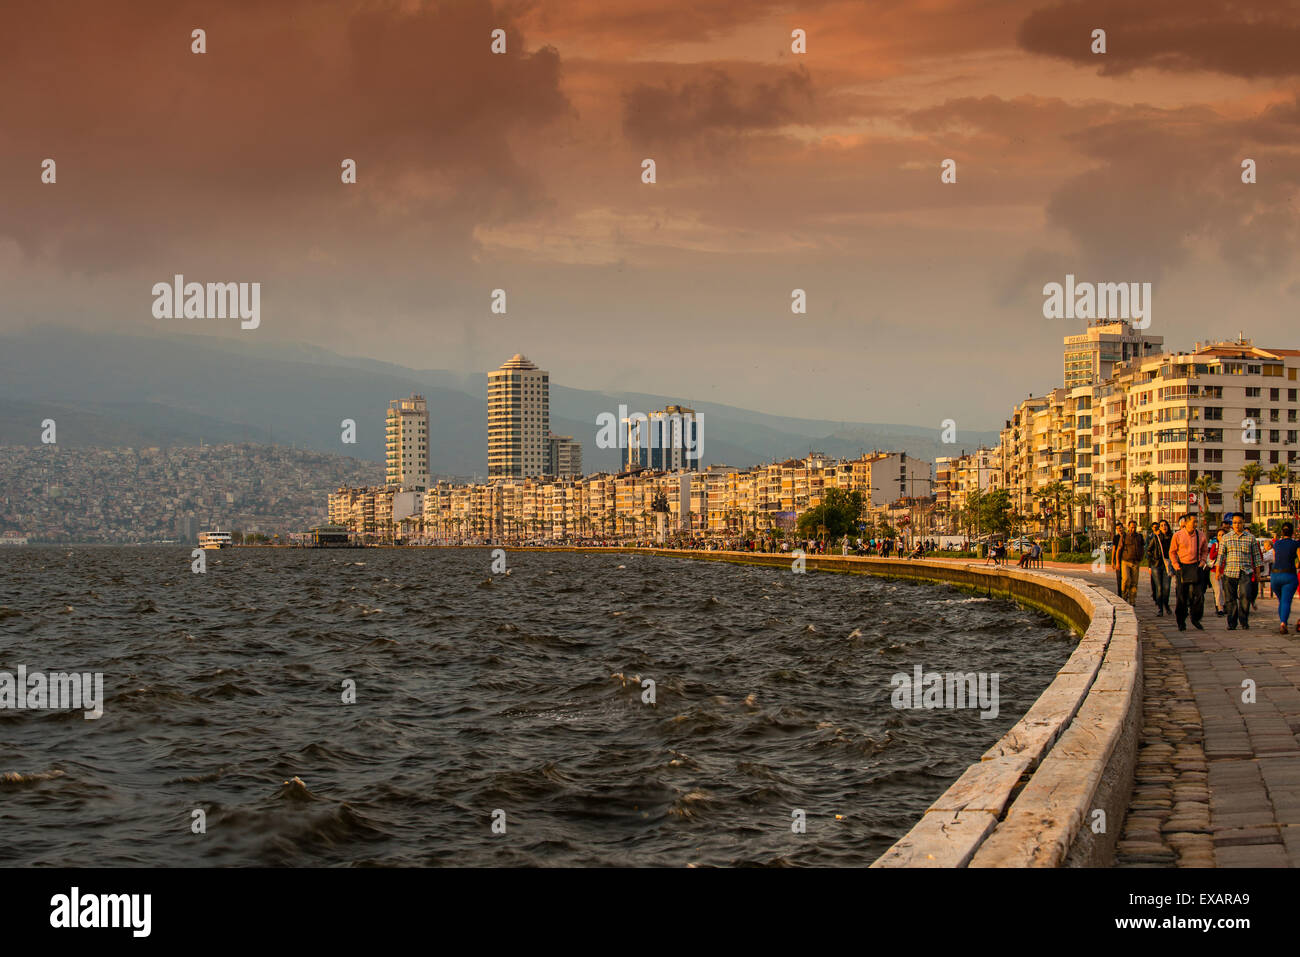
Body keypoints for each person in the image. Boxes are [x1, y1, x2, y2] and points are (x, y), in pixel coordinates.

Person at [1216, 512, 1264, 630]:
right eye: (1235, 523)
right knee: (1230, 599)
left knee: (1245, 596)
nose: (1237, 525)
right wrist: (1218, 571)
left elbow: (1256, 557)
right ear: (1232, 523)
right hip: (1229, 572)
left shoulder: (1250, 538)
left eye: (1240, 523)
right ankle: (1232, 623)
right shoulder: (1226, 538)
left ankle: (1244, 621)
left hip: (1245, 572)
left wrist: (1258, 573)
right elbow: (1220, 555)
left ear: (1243, 523)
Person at [1169, 512, 1209, 630]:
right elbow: (1172, 552)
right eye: (1193, 521)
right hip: (1182, 567)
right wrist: (1176, 565)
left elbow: (1205, 550)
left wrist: (1202, 561)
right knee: (1181, 595)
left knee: (1199, 595)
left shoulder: (1200, 535)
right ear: (1186, 523)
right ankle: (1181, 621)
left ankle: (1195, 618)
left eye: (1197, 521)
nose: (1196, 524)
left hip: (1196, 566)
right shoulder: (1178, 535)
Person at [1270, 522, 1298, 634]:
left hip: (1275, 576)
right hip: (1289, 575)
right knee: (1286, 601)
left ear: (1282, 532)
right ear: (1293, 532)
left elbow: (1275, 559)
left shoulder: (1276, 544)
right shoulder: (1295, 544)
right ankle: (1283, 623)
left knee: (1281, 601)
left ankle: (1282, 621)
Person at [1146, 519, 1174, 616]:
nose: (1164, 527)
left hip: (1168, 565)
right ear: (1159, 528)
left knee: (1166, 588)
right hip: (1157, 565)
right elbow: (1148, 550)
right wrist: (1153, 561)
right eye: (1161, 525)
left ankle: (1166, 604)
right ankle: (1160, 608)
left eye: (1165, 525)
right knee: (1159, 588)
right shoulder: (1156, 538)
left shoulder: (1172, 538)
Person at [1118, 520, 1146, 605]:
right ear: (1128, 527)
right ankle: (1124, 596)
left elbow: (1142, 547)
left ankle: (1132, 600)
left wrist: (1141, 557)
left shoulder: (1139, 537)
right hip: (1125, 561)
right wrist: (1117, 562)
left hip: (1135, 562)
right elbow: (1119, 549)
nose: (1133, 529)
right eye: (1131, 527)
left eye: (1134, 527)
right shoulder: (1124, 536)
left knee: (1134, 582)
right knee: (1126, 580)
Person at [1110, 522, 1125, 594]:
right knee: (1119, 578)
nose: (1119, 530)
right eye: (1117, 529)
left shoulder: (1127, 536)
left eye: (1120, 528)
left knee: (1126, 578)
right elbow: (1114, 550)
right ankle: (1120, 594)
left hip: (1126, 559)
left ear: (1123, 528)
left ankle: (1125, 593)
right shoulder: (1116, 538)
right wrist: (1112, 561)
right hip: (1118, 560)